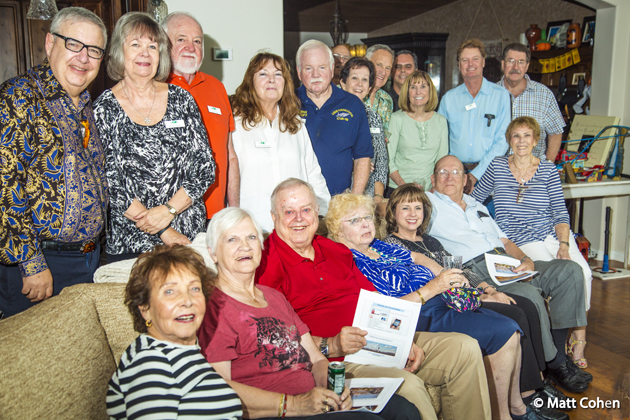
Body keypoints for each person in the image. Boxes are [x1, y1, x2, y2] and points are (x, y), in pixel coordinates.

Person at [256, 178, 493, 420]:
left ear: (317, 213)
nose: (299, 218)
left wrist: (397, 338)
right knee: (407, 386)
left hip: (375, 340)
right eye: (289, 212)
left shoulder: (334, 250)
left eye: (306, 209)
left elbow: (375, 302)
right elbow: (269, 339)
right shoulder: (265, 262)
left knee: (464, 348)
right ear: (274, 217)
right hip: (336, 360)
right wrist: (331, 344)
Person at [325, 192, 551, 420]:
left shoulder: (379, 247)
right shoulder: (347, 259)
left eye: (367, 217)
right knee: (504, 330)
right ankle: (504, 415)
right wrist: (435, 286)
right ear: (337, 229)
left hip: (441, 301)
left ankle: (515, 407)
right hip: (416, 315)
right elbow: (382, 310)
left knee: (511, 324)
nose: (365, 224)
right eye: (354, 220)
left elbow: (417, 257)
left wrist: (444, 275)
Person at [198, 207, 420, 420]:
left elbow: (315, 359)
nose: (244, 246)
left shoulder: (273, 297)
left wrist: (335, 390)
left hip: (314, 401)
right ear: (213, 252)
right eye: (232, 239)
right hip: (274, 411)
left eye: (251, 238)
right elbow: (219, 389)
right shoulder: (214, 308)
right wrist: (292, 405)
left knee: (403, 409)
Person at [383, 184, 570, 420]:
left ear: (425, 212)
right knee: (515, 315)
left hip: (458, 297)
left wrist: (489, 290)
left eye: (417, 207)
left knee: (521, 306)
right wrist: (479, 294)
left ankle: (531, 391)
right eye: (405, 208)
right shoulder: (391, 245)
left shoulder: (430, 242)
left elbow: (460, 271)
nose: (412, 214)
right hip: (435, 305)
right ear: (393, 212)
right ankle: (525, 397)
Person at [426, 155, 592, 393]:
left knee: (570, 271)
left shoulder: (478, 206)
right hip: (477, 268)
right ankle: (554, 362)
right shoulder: (427, 202)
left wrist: (524, 259)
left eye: (455, 172)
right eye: (442, 172)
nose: (449, 177)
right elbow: (397, 210)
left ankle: (557, 355)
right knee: (529, 295)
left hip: (506, 262)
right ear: (433, 179)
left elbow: (505, 240)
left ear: (465, 180)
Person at [0, 7, 108, 317]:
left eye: (94, 50)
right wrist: (32, 263)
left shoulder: (86, 104)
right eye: (74, 44)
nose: (83, 58)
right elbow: (6, 186)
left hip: (87, 260)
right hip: (40, 267)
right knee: (35, 363)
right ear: (50, 44)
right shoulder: (18, 97)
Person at [94, 12, 215, 263]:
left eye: (153, 46)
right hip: (132, 243)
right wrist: (162, 229)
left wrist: (169, 211)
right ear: (119, 51)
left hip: (187, 237)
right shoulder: (103, 108)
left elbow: (205, 168)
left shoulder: (182, 100)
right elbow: (110, 183)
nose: (145, 53)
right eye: (135, 44)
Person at [472, 117, 592, 369]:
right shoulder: (497, 166)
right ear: (509, 141)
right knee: (563, 276)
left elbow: (560, 213)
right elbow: (475, 200)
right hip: (520, 239)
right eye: (516, 136)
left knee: (585, 273)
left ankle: (578, 337)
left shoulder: (548, 169)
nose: (521, 141)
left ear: (536, 140)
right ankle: (557, 344)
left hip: (552, 234)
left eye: (527, 136)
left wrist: (563, 244)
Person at [107, 245, 243, 419]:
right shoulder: (152, 363)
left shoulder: (178, 352)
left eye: (194, 289)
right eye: (169, 291)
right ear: (145, 308)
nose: (187, 301)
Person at [229, 52, 330, 232]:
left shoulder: (296, 125)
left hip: (296, 228)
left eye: (278, 74)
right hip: (252, 228)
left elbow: (312, 171)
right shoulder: (236, 124)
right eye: (263, 74)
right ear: (250, 81)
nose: (271, 80)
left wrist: (322, 214)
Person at [163, 12, 236, 220]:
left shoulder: (216, 87)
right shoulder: (156, 87)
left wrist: (233, 209)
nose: (191, 47)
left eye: (197, 41)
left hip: (216, 216)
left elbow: (230, 154)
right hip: (172, 217)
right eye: (181, 39)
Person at [296, 40, 373, 196]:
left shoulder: (353, 105)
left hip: (338, 204)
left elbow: (362, 158)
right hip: (296, 205)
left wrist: (354, 201)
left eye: (322, 67)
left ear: (332, 69)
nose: (315, 74)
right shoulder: (287, 102)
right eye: (308, 68)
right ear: (299, 72)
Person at [438, 39, 510, 194]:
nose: (470, 64)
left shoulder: (501, 96)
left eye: (475, 59)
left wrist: (475, 175)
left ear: (483, 62)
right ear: (459, 65)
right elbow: (440, 141)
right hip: (454, 177)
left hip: (490, 175)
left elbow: (502, 141)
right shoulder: (448, 99)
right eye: (465, 60)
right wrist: (457, 175)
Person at [497, 43, 565, 162]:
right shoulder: (490, 94)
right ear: (503, 64)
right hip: (498, 172)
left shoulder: (544, 95)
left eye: (521, 62)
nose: (515, 67)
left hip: (534, 173)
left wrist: (548, 165)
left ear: (527, 66)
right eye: (511, 61)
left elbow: (556, 132)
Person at [339, 57, 388, 210]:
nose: (360, 84)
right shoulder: (334, 115)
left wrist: (378, 197)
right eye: (354, 78)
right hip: (339, 194)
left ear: (369, 87)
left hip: (368, 198)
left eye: (365, 80)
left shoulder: (373, 117)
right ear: (343, 82)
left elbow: (381, 161)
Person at [387, 70, 448, 192]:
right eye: (413, 87)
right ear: (407, 93)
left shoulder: (441, 121)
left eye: (423, 87)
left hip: (430, 190)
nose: (418, 92)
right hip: (399, 189)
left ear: (430, 91)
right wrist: (404, 186)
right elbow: (388, 159)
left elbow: (442, 161)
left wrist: (435, 188)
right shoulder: (397, 118)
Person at [364, 44, 394, 134]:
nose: (383, 72)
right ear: (365, 62)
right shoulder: (342, 93)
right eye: (379, 65)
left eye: (388, 68)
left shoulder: (386, 100)